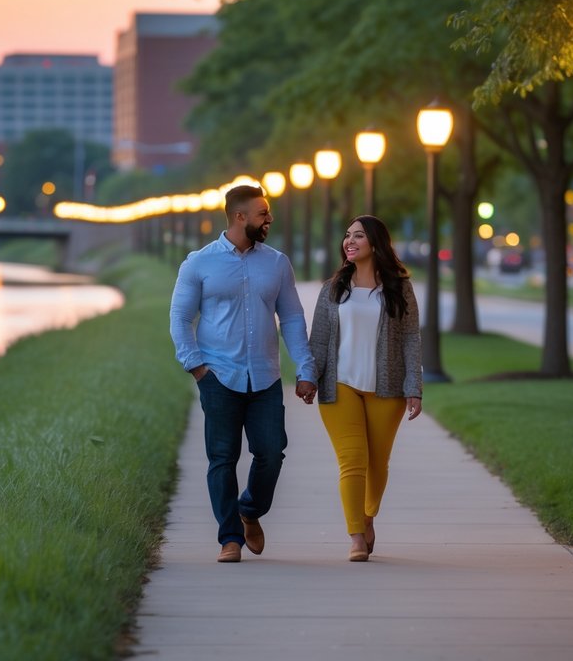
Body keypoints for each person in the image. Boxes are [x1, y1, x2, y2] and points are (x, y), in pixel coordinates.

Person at [170, 184, 318, 563]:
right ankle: (229, 539)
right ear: (240, 216)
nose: (269, 218)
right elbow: (181, 318)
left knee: (272, 452)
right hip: (218, 375)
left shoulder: (277, 263)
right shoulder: (198, 263)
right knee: (222, 457)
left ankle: (249, 509)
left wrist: (305, 368)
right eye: (262, 213)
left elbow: (293, 318)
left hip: (265, 376)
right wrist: (196, 366)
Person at [309, 215, 422, 562]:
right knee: (352, 460)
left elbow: (410, 338)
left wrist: (413, 386)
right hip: (339, 385)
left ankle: (368, 515)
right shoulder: (333, 288)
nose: (349, 240)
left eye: (358, 235)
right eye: (347, 235)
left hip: (385, 389)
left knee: (378, 463)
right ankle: (356, 535)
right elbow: (319, 340)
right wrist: (309, 377)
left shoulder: (399, 288)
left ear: (375, 242)